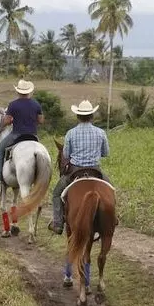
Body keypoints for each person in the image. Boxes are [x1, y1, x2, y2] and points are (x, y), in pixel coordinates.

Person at [48, 100, 111, 235]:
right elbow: (105, 153)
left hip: (75, 170)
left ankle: (58, 223)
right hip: (96, 171)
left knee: (56, 194)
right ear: (92, 116)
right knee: (111, 191)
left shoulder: (71, 133)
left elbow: (65, 154)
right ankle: (112, 217)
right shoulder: (100, 132)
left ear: (78, 116)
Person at [0, 80, 44, 183]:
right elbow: (41, 120)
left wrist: (5, 124)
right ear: (29, 92)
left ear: (18, 92)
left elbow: (7, 121)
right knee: (42, 154)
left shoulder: (13, 105)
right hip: (33, 135)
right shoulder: (36, 104)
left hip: (16, 135)